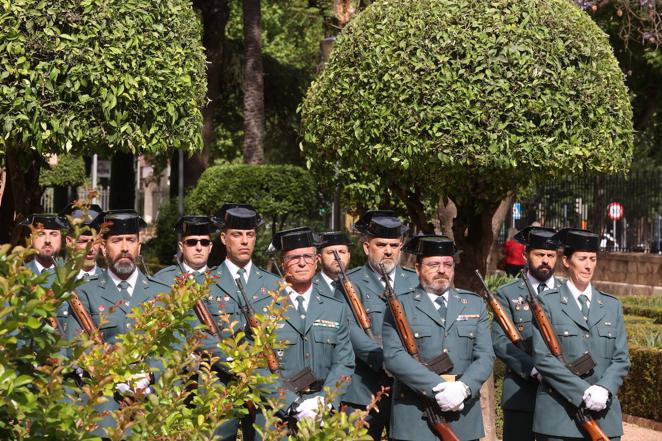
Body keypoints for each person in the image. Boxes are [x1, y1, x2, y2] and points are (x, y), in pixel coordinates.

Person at [66, 209, 170, 438]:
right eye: (116, 241)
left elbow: (175, 346)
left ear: (139, 247)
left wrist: (149, 375)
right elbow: (77, 346)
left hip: (151, 405)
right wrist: (114, 375)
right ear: (103, 247)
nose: (124, 247)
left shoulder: (162, 293)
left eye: (131, 240)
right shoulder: (84, 293)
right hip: (104, 409)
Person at [383, 235, 494, 441]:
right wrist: (438, 388)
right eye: (433, 264)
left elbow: (485, 356)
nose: (442, 270)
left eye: (447, 264)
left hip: (463, 417)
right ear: (417, 268)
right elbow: (393, 356)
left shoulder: (473, 304)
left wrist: (463, 388)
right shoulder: (400, 306)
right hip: (415, 418)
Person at [532, 229, 630, 441]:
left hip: (605, 417)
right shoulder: (546, 303)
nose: (588, 265)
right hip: (559, 419)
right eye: (582, 258)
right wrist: (582, 392)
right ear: (566, 261)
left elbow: (621, 358)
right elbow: (543, 358)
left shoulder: (611, 305)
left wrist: (604, 388)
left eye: (593, 259)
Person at [255, 227, 354, 424]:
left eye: (308, 257)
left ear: (317, 261)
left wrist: (327, 402)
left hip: (322, 413)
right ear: (283, 263)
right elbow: (257, 367)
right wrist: (292, 405)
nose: (302, 263)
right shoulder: (263, 308)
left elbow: (344, 362)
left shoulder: (336, 308)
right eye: (294, 258)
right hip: (276, 416)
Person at [342, 210, 418, 440]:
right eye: (381, 244)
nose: (388, 251)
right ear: (367, 247)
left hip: (408, 389)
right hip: (364, 389)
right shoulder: (348, 283)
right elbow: (348, 329)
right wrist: (385, 360)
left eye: (394, 245)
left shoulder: (415, 281)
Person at [211, 204, 280, 441]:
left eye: (250, 235)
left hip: (263, 384)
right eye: (237, 235)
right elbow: (197, 334)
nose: (244, 241)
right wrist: (232, 361)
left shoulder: (273, 285)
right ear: (223, 238)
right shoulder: (205, 283)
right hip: (219, 384)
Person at [492, 226, 561, 441]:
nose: (545, 260)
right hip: (521, 394)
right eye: (540, 254)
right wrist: (533, 370)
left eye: (551, 255)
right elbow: (500, 340)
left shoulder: (566, 293)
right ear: (525, 255)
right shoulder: (507, 294)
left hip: (560, 395)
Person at [153, 215, 219, 285]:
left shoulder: (220, 280)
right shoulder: (162, 280)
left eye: (204, 242)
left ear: (210, 247)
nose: (199, 248)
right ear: (181, 247)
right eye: (192, 242)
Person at [60, 203, 105, 280]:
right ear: (69, 242)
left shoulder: (109, 279)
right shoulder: (57, 278)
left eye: (95, 241)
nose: (90, 249)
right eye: (84, 241)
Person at [314, 231, 352, 297]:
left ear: (349, 256)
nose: (338, 257)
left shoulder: (358, 283)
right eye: (330, 252)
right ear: (319, 258)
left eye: (342, 252)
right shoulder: (311, 286)